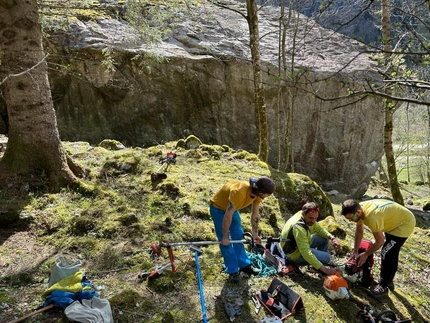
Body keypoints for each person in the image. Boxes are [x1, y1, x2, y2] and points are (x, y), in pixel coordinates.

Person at [341, 199, 416, 298]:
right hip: (393, 221)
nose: (351, 221)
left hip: (404, 223)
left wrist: (366, 254)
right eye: (348, 219)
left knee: (386, 252)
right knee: (392, 252)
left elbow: (380, 241)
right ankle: (388, 280)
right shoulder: (360, 209)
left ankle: (383, 286)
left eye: (351, 218)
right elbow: (359, 231)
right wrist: (355, 251)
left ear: (358, 212)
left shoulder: (372, 217)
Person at [209, 176, 275, 283]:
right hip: (218, 208)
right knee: (225, 242)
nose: (268, 196)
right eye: (268, 194)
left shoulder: (257, 194)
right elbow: (227, 216)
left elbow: (255, 214)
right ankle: (232, 270)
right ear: (262, 191)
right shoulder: (239, 192)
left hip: (233, 210)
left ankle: (244, 264)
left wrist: (255, 234)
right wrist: (225, 237)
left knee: (238, 236)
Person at [279, 202, 340, 275]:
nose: (313, 221)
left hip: (299, 245)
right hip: (293, 255)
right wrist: (326, 270)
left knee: (324, 237)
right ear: (303, 214)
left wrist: (332, 238)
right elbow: (306, 253)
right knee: (327, 258)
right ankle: (321, 267)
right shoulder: (299, 228)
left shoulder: (303, 215)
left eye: (315, 218)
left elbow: (319, 229)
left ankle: (317, 266)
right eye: (311, 218)